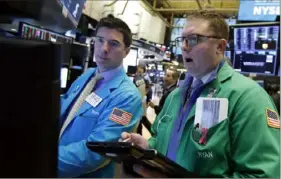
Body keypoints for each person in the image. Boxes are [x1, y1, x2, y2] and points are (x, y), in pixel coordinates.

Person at [121, 10, 280, 178]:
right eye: (182, 40)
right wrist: (147, 146)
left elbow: (263, 175)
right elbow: (166, 141)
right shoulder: (175, 96)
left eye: (193, 39)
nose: (183, 47)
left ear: (220, 46)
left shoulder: (248, 97)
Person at [58, 16, 143, 177]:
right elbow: (64, 108)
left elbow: (95, 153)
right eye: (100, 40)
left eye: (113, 43)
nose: (104, 48)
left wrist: (43, 157)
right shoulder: (88, 75)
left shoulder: (127, 96)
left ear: (126, 52)